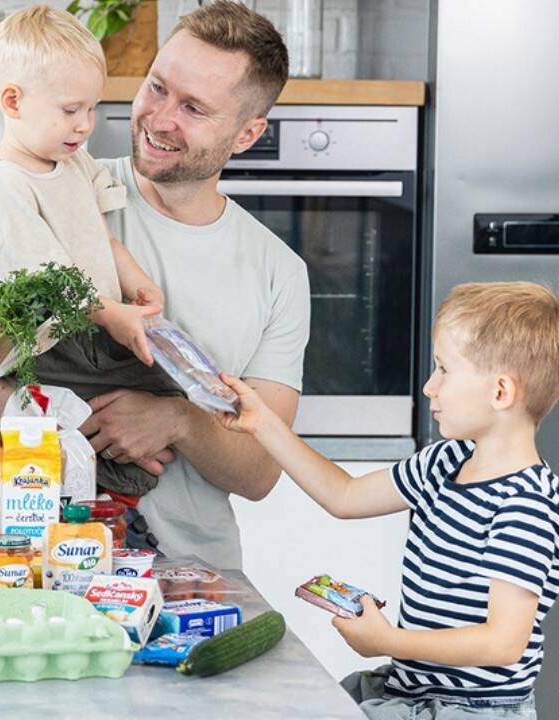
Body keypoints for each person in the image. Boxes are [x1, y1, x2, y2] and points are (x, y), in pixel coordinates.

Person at [218, 281, 559, 719]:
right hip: (410, 690)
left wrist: (386, 641)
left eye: (444, 370)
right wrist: (263, 423)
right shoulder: (445, 462)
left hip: (475, 711)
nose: (428, 387)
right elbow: (343, 495)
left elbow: (502, 643)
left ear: (500, 393)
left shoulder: (525, 504)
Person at [74, 0, 309, 565]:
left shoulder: (279, 273)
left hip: (196, 580)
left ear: (247, 134)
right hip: (41, 565)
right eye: (157, 88)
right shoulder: (65, 190)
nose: (159, 119)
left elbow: (259, 474)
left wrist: (177, 420)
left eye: (194, 108)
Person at [0, 5, 187, 500]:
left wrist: (135, 285)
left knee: (168, 389)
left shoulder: (70, 160)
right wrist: (113, 315)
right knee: (64, 418)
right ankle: (96, 487)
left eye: (91, 109)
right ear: (13, 101)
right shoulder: (8, 184)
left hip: (91, 326)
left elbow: (102, 238)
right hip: (45, 344)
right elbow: (54, 281)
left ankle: (117, 476)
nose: (85, 124)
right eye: (71, 110)